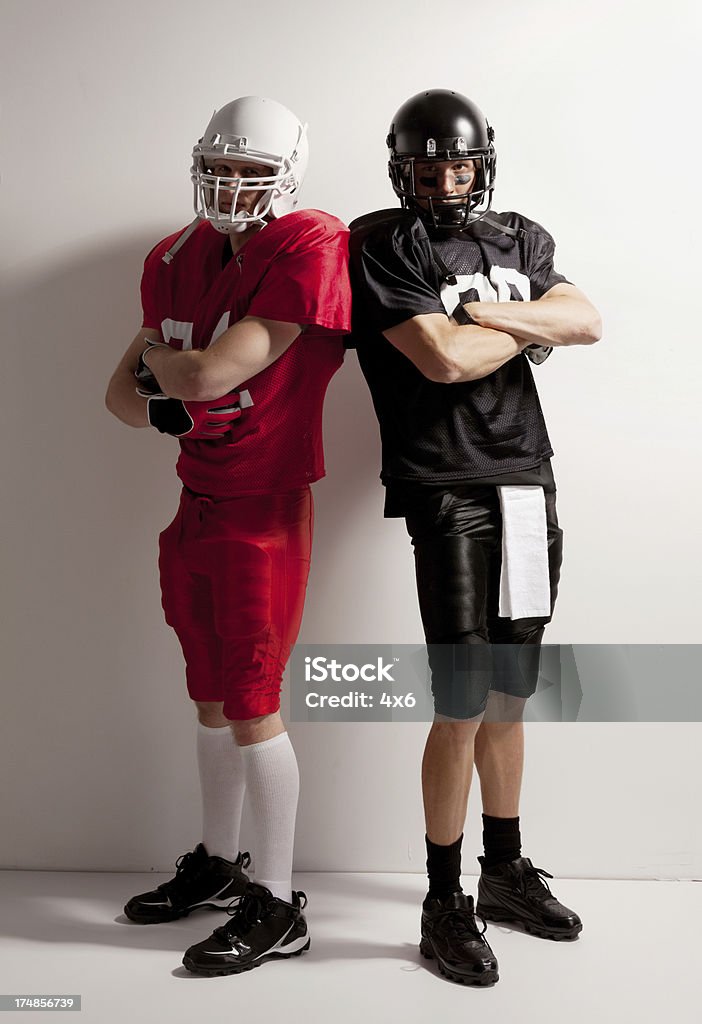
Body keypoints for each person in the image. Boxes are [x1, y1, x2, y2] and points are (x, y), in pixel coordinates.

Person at [349, 88, 601, 986]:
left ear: (483, 162)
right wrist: (521, 325)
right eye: (429, 163)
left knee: (511, 691)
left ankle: (503, 872)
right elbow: (441, 361)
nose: (446, 178)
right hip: (446, 489)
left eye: (458, 162)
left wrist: (482, 314)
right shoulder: (381, 241)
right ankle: (443, 898)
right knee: (460, 700)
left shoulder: (519, 236)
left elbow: (586, 320)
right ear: (401, 166)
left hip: (527, 481)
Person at [105, 95, 351, 976]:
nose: (235, 184)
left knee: (253, 700)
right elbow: (120, 401)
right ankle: (218, 861)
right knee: (207, 692)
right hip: (196, 497)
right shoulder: (175, 254)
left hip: (265, 506)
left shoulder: (312, 239)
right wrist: (170, 386)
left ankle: (280, 906)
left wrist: (171, 376)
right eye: (224, 166)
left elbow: (205, 373)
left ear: (285, 171)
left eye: (253, 169)